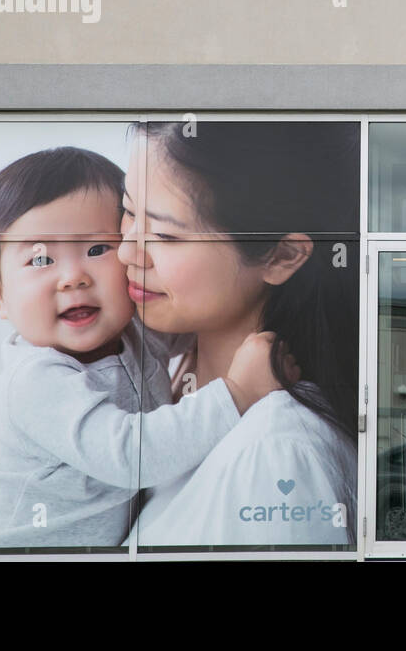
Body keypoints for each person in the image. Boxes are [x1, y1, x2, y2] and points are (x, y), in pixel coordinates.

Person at [0, 147, 277, 548]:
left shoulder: (132, 333)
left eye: (97, 249)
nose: (73, 278)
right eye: (40, 259)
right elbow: (132, 456)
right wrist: (237, 393)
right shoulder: (35, 381)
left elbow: (199, 322)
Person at [118, 120, 359, 547]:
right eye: (129, 211)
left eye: (165, 235)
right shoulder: (159, 371)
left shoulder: (279, 453)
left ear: (283, 255)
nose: (126, 251)